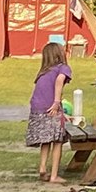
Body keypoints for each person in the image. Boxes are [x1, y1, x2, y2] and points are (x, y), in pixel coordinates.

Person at [26, 38, 71, 184]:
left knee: (46, 139)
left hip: (37, 107)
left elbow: (40, 90)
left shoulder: (43, 72)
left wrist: (63, 114)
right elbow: (59, 81)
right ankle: (54, 176)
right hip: (50, 107)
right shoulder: (63, 68)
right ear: (60, 54)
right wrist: (57, 103)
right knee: (57, 140)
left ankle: (42, 168)